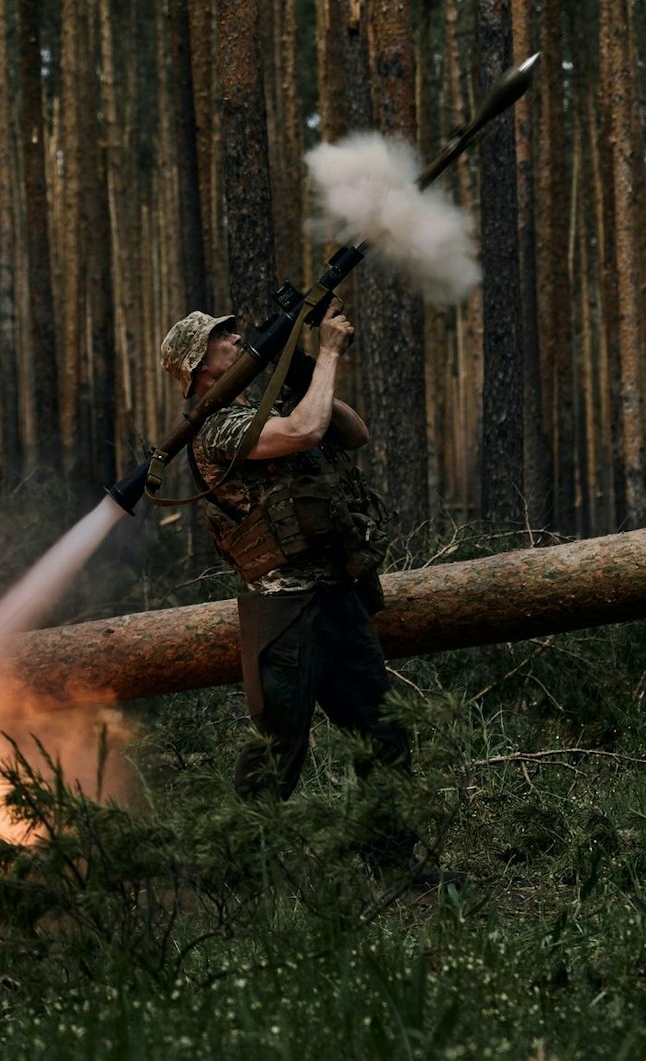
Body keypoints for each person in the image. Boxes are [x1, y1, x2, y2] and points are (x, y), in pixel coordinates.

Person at [159, 303, 425, 871]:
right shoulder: (218, 428)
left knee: (384, 731)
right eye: (222, 337)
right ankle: (234, 880)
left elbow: (352, 432)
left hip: (336, 597)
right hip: (285, 612)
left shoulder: (267, 407)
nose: (236, 337)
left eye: (232, 330)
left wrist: (304, 367)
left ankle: (393, 865)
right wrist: (327, 353)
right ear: (200, 366)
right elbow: (305, 432)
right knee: (280, 751)